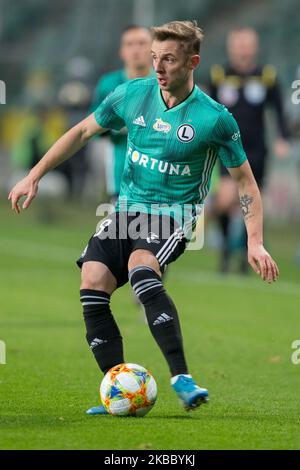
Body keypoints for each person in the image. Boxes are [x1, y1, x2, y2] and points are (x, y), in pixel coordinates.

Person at [8, 20, 279, 415]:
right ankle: (116, 385)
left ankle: (182, 378)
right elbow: (83, 132)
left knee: (141, 270)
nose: (158, 67)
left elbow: (246, 183)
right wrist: (34, 175)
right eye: (155, 58)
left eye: (169, 59)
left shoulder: (215, 118)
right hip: (125, 210)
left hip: (172, 215)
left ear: (192, 62)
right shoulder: (133, 95)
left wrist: (254, 240)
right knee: (92, 280)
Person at [209, 28, 289, 273]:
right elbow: (207, 110)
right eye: (238, 45)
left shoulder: (266, 75)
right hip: (227, 148)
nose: (243, 49)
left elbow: (278, 109)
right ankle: (224, 248)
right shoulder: (219, 74)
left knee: (251, 202)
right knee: (224, 200)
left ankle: (246, 255)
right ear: (231, 48)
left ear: (254, 48)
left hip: (256, 150)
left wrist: (282, 137)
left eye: (247, 45)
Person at [90, 25, 153, 203]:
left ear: (152, 49)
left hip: (159, 177)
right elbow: (92, 127)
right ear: (122, 51)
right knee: (121, 228)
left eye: (142, 43)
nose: (136, 49)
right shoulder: (109, 84)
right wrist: (117, 126)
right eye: (130, 44)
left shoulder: (165, 83)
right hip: (120, 172)